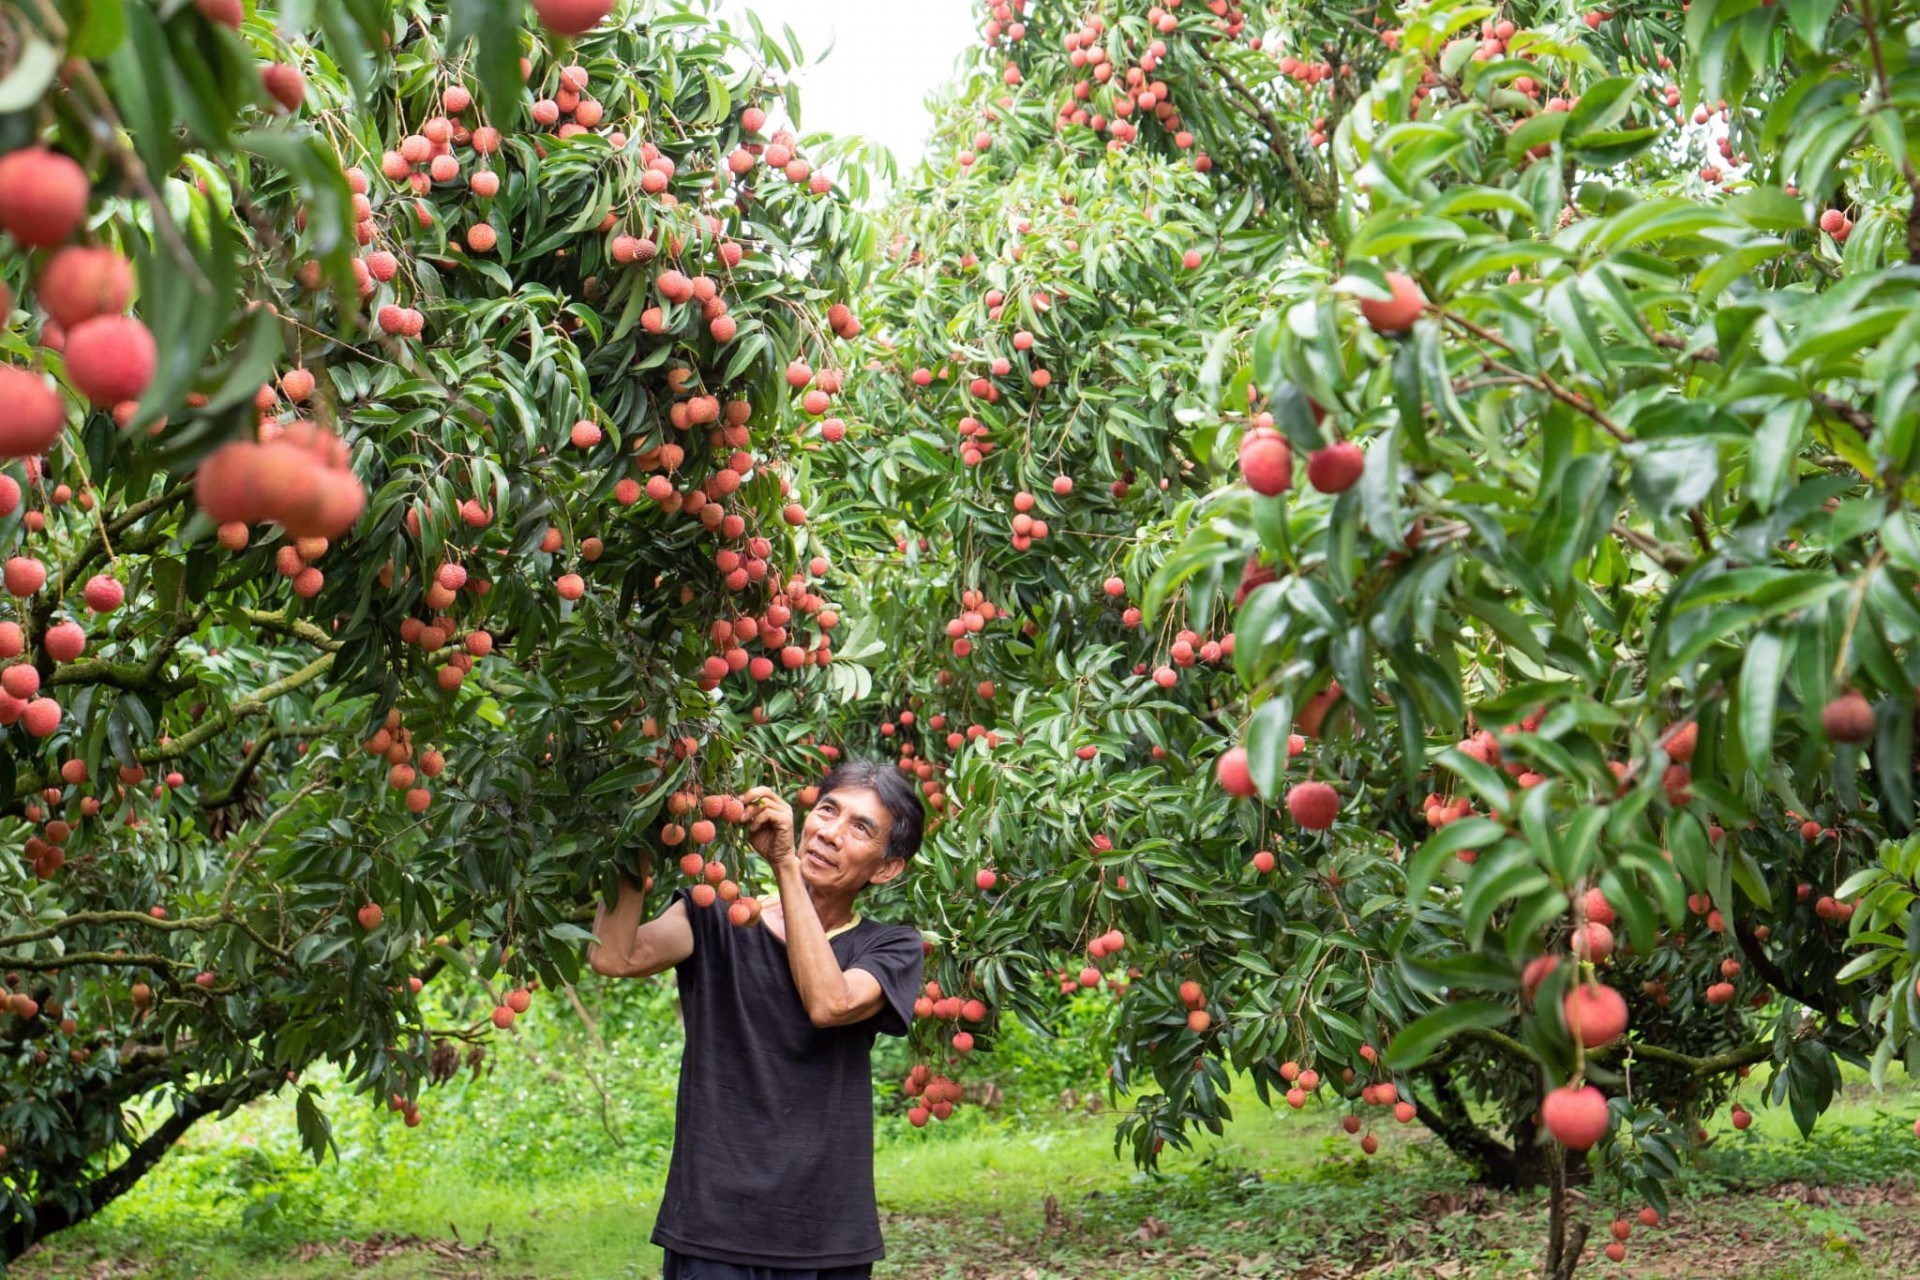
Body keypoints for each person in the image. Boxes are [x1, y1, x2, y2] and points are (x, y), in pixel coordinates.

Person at [587, 759, 927, 1280]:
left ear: (885, 868)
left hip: (826, 1233)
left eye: (860, 828)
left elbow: (829, 1003)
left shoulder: (890, 947)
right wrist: (642, 827)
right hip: (714, 1228)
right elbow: (615, 956)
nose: (830, 834)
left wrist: (785, 865)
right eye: (828, 811)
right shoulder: (721, 914)